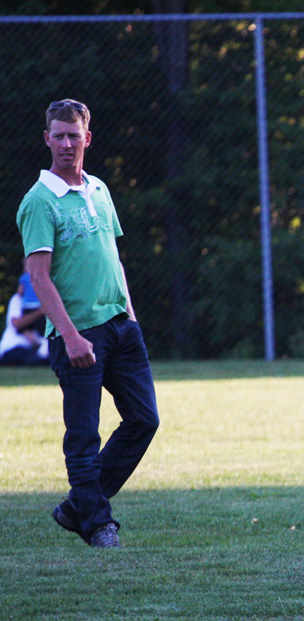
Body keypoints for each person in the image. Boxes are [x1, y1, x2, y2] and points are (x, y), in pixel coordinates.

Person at [16, 99, 160, 548]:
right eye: (57, 135)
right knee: (84, 435)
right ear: (46, 139)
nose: (64, 143)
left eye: (72, 135)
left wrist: (131, 318)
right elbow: (38, 275)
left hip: (121, 327)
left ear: (87, 139)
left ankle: (79, 505)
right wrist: (73, 336)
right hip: (77, 335)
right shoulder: (38, 201)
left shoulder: (99, 188)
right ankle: (99, 524)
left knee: (144, 420)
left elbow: (112, 259)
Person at [0, 271, 49, 366]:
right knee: (29, 359)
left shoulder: (47, 299)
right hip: (14, 347)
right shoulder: (17, 299)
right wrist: (40, 311)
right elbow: (17, 324)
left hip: (38, 348)